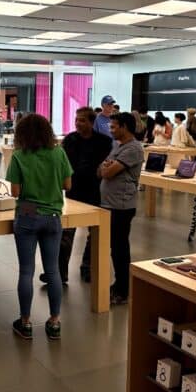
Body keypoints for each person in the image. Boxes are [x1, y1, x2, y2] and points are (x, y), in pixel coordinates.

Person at [7, 114, 72, 341]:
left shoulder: (18, 156)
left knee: (26, 271)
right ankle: (54, 322)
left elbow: (15, 192)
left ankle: (25, 323)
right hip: (53, 216)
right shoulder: (59, 153)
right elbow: (67, 184)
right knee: (52, 271)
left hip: (27, 216)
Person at [38, 107, 112, 285]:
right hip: (73, 191)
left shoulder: (103, 142)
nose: (78, 123)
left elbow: (101, 166)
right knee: (65, 233)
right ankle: (59, 273)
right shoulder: (70, 139)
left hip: (96, 191)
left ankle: (88, 268)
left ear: (91, 122)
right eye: (77, 119)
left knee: (94, 234)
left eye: (82, 120)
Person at [98, 113, 144, 305]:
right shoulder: (118, 146)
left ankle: (123, 289)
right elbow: (100, 170)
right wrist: (105, 167)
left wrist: (106, 168)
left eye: (114, 126)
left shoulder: (133, 148)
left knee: (119, 249)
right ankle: (119, 285)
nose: (111, 129)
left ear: (125, 127)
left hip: (122, 206)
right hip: (109, 204)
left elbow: (107, 172)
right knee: (113, 247)